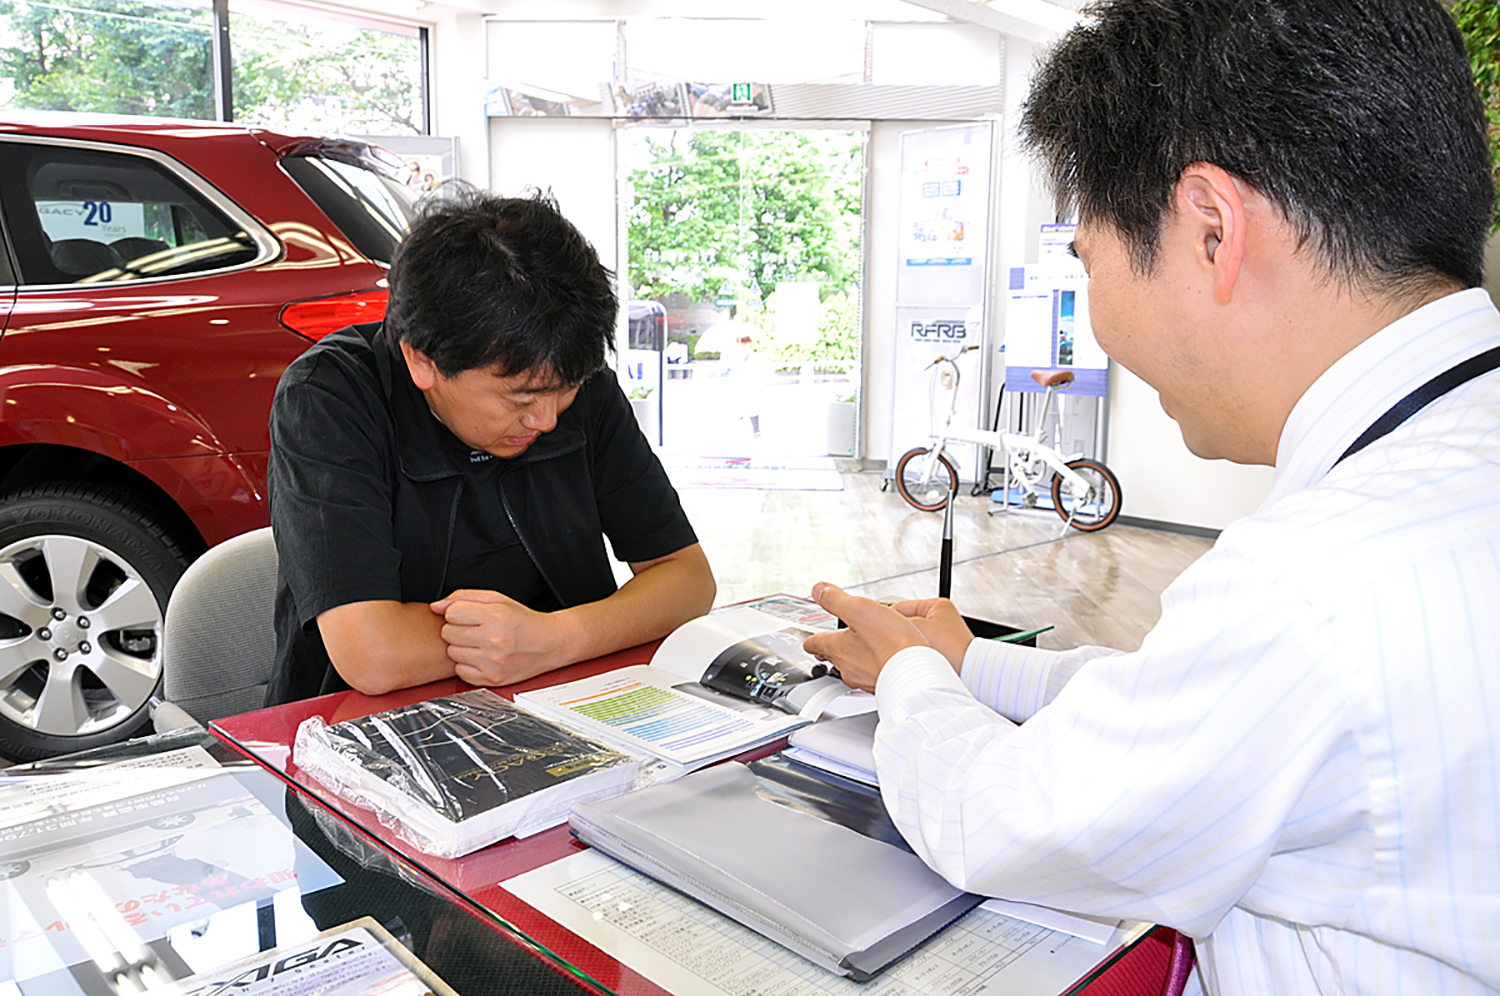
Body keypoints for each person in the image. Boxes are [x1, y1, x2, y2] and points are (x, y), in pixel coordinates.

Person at [804, 2, 1500, 994]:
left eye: (1085, 257)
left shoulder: (1314, 579)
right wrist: (973, 664)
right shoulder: (1440, 478)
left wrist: (916, 680)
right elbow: (1190, 713)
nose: (1095, 321)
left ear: (1212, 229)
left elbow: (1010, 821)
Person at [266, 187, 715, 705]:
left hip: (562, 700)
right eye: (521, 398)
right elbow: (373, 654)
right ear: (422, 362)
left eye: (562, 392)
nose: (546, 420)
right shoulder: (329, 397)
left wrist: (552, 640)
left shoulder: (571, 373)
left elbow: (687, 579)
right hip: (360, 729)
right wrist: (560, 634)